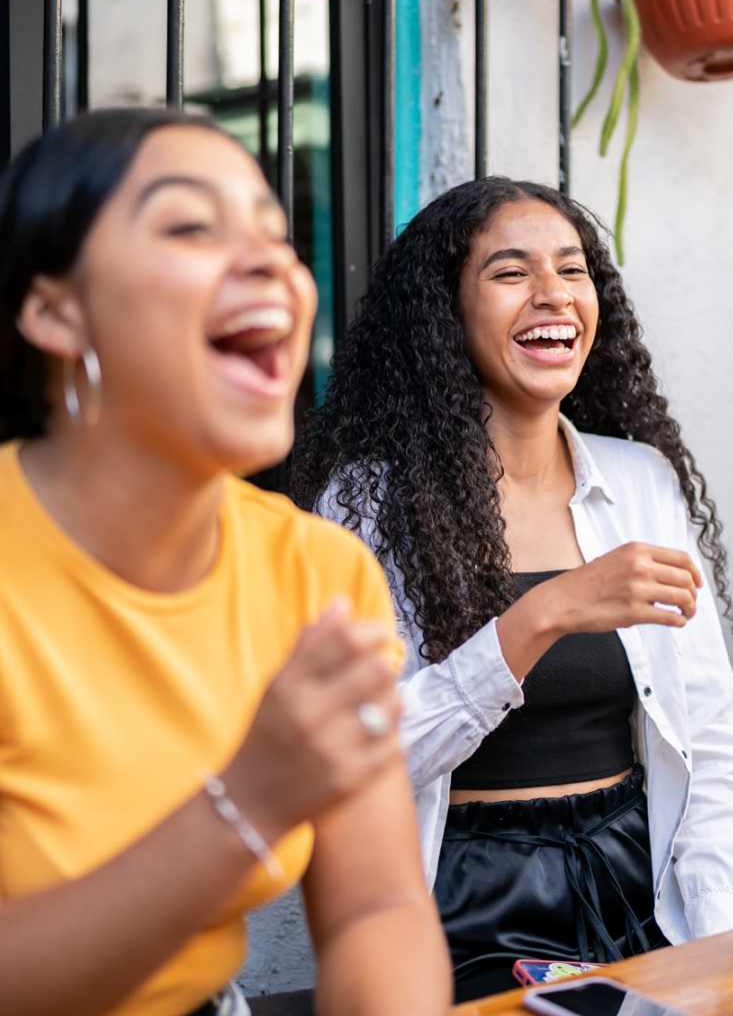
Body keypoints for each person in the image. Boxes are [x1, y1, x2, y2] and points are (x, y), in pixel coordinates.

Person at [0, 108, 451, 1016]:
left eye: (277, 237)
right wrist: (245, 802)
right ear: (55, 310)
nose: (271, 265)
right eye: (189, 227)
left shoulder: (318, 569)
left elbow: (378, 907)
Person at [293, 177, 733, 1001]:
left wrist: (720, 939)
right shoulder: (366, 505)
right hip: (467, 891)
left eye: (573, 270)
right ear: (446, 314)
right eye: (510, 273)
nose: (553, 295)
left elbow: (713, 740)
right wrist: (542, 615)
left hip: (640, 874)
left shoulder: (641, 482)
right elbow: (359, 764)